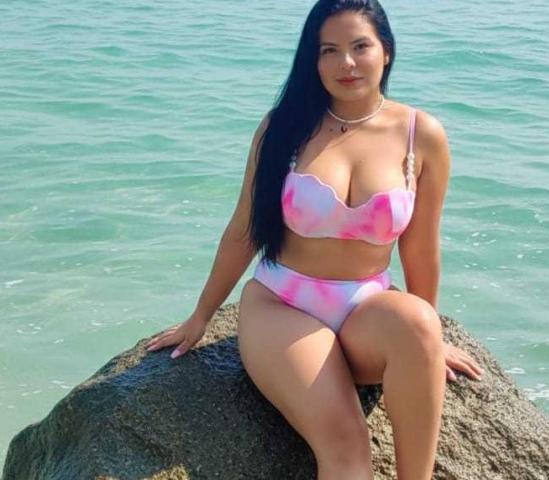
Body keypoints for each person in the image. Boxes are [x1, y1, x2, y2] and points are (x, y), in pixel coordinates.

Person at [146, 0, 483, 478]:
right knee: (347, 447)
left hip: (366, 307)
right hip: (283, 304)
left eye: (360, 46)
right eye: (329, 50)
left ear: (386, 51)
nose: (346, 63)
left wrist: (430, 344)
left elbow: (421, 245)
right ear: (314, 59)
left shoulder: (420, 134)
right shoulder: (283, 128)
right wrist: (200, 316)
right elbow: (244, 229)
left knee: (418, 327)